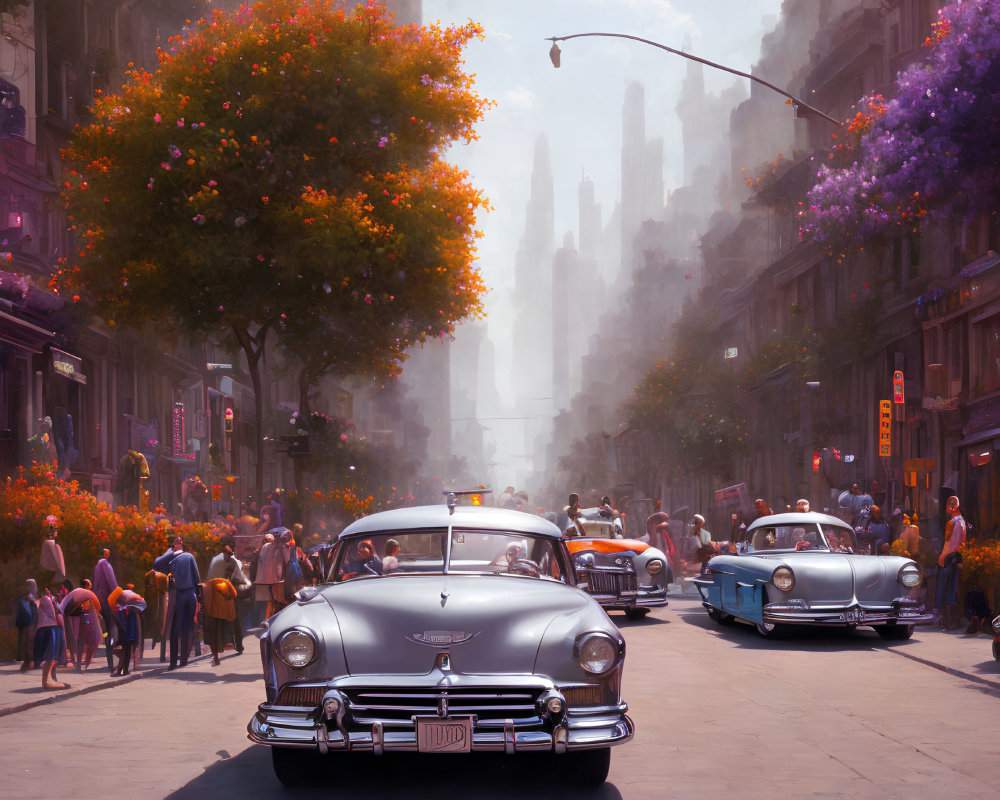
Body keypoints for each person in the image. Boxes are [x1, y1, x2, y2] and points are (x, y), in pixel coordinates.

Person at [164, 538, 201, 669]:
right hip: (190, 594)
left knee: (176, 628)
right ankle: (184, 659)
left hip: (178, 596)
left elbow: (168, 580)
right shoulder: (189, 557)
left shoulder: (170, 562)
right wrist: (199, 596)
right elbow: (196, 577)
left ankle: (173, 661)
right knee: (188, 627)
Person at [936, 496, 967, 631]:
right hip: (955, 557)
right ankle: (952, 622)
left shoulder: (953, 523)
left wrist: (943, 557)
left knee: (947, 589)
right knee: (952, 589)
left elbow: (949, 544)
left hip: (950, 558)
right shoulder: (960, 522)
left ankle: (948, 622)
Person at [203, 566, 240, 666]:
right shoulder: (226, 582)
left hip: (212, 613)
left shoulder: (209, 584)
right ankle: (231, 644)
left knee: (214, 635)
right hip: (224, 613)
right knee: (226, 630)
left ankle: (215, 656)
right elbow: (234, 594)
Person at [34, 588, 69, 690]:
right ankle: (47, 681)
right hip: (49, 628)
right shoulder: (47, 599)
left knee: (51, 657)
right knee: (51, 657)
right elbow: (56, 611)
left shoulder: (39, 601)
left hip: (43, 628)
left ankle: (50, 680)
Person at [93, 548, 118, 672]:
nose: (108, 554)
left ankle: (111, 663)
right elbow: (112, 583)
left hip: (99, 601)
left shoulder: (96, 566)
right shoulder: (105, 564)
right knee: (112, 631)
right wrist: (118, 595)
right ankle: (111, 664)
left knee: (107, 633)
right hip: (108, 601)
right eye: (107, 552)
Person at [14, 578, 38, 672]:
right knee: (28, 643)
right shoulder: (27, 596)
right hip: (28, 622)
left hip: (29, 622)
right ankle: (27, 663)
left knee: (29, 642)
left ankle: (28, 663)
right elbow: (28, 610)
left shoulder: (29, 596)